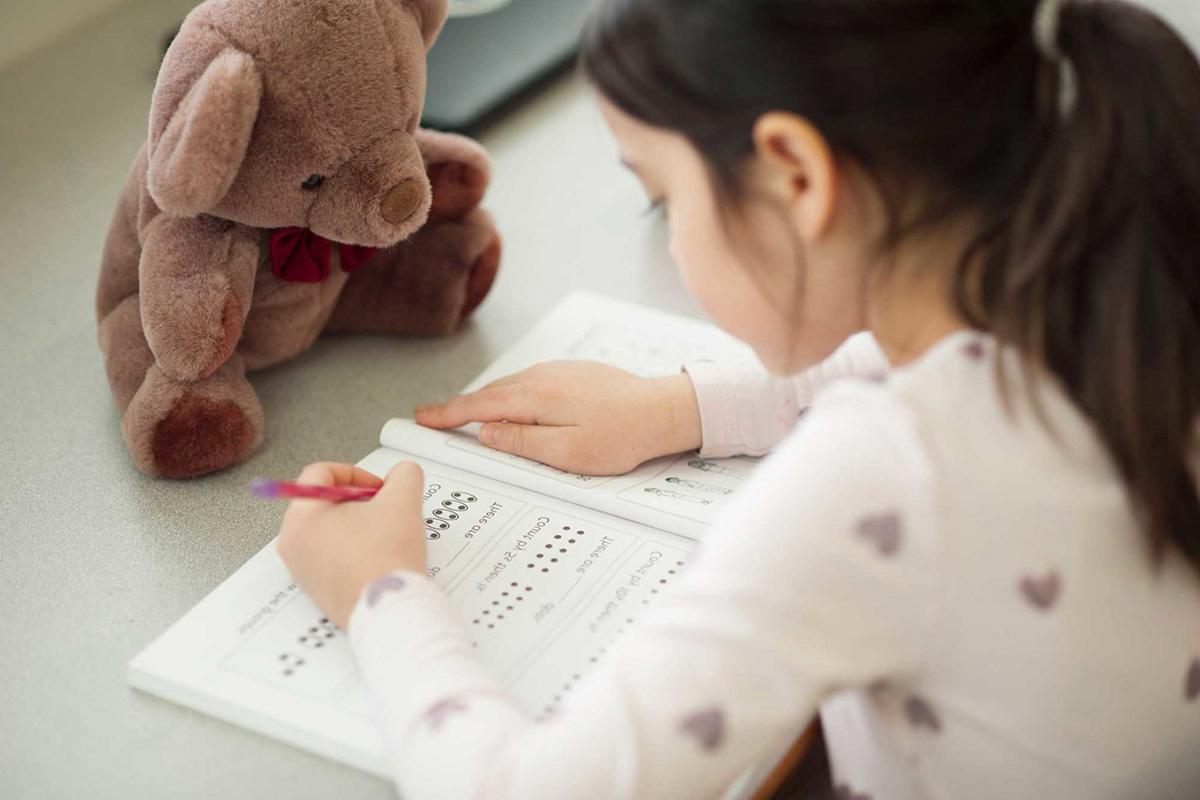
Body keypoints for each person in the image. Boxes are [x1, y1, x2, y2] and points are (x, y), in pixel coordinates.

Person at [275, 0, 1200, 797]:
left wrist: (379, 591)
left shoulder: (877, 480)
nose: (673, 241)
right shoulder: (1124, 251)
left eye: (664, 196)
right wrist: (681, 409)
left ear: (797, 174)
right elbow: (898, 366)